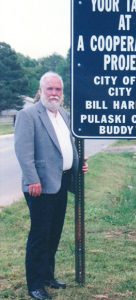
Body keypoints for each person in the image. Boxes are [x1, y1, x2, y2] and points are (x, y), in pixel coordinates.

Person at [14, 72, 88, 300]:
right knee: (40, 235)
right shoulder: (28, 115)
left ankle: (47, 277)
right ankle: (35, 285)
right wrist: (33, 179)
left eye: (58, 90)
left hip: (62, 182)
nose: (54, 94)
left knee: (54, 233)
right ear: (41, 90)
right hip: (40, 186)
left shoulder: (63, 114)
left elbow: (68, 146)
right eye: (50, 89)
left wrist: (79, 163)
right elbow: (23, 152)